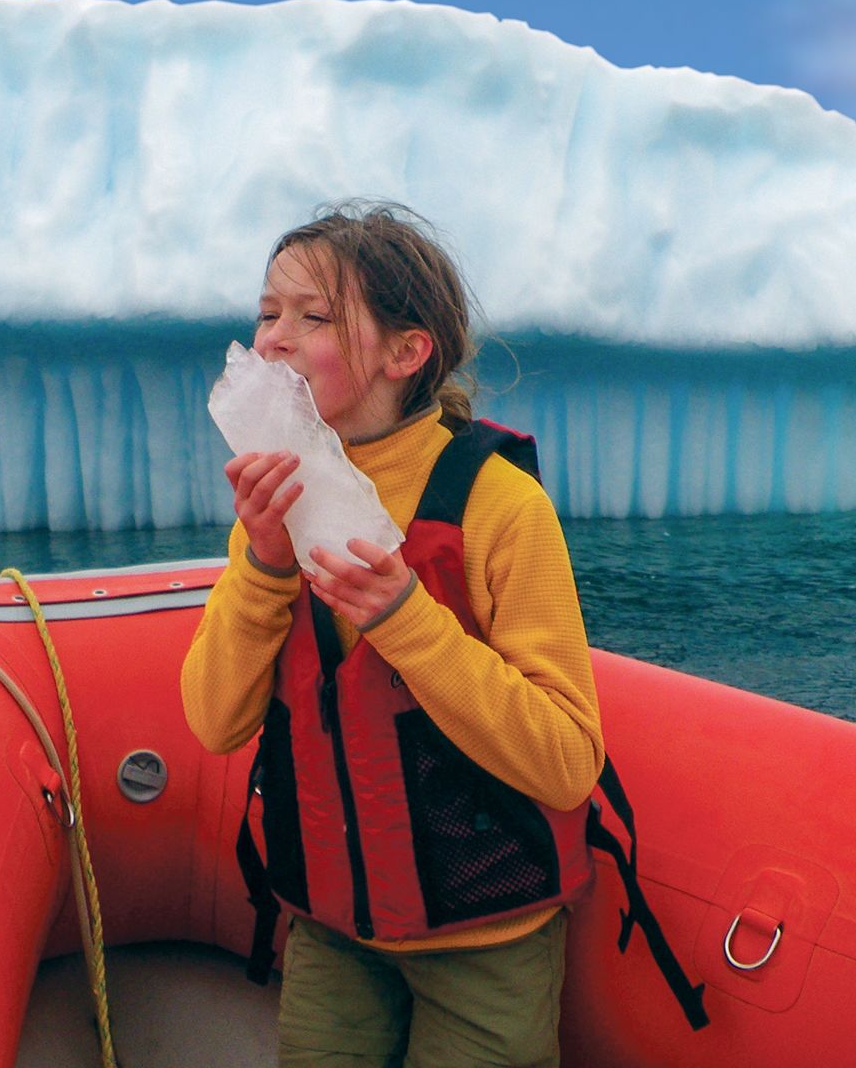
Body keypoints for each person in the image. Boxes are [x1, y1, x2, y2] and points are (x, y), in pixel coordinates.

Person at [180, 201, 604, 1068]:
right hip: (332, 932)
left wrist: (407, 620)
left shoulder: (501, 507)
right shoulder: (276, 507)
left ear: (406, 353)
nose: (272, 341)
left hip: (487, 940)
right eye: (267, 313)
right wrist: (264, 566)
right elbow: (215, 723)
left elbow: (568, 762)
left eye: (313, 317)